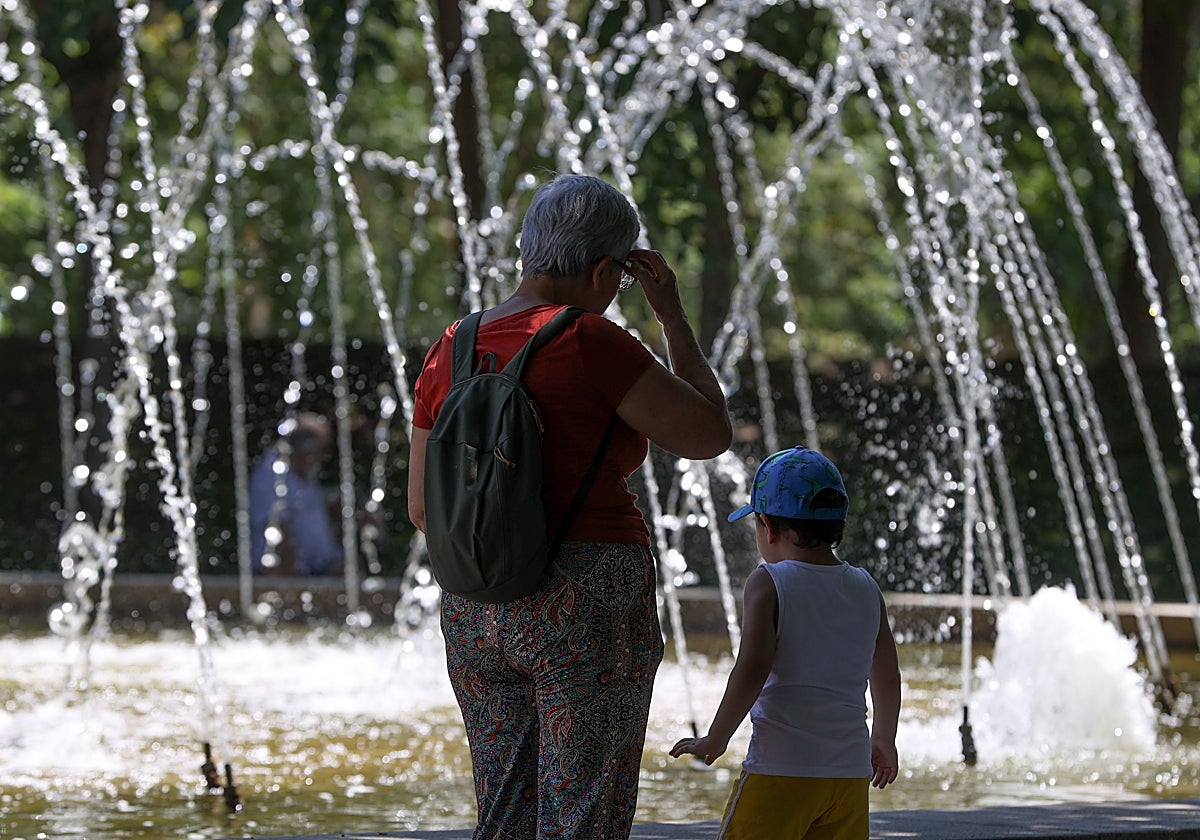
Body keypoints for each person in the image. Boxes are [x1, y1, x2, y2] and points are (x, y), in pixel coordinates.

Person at [407, 173, 732, 839]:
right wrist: (672, 317)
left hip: (474, 606)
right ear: (601, 269)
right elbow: (708, 435)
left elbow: (421, 506)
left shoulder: (452, 345)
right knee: (582, 817)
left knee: (504, 818)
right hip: (585, 602)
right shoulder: (590, 340)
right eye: (619, 277)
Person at [669, 445, 902, 840]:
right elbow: (887, 674)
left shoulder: (769, 582)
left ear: (769, 528)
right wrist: (884, 738)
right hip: (847, 776)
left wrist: (717, 737)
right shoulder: (866, 586)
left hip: (780, 771)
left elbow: (753, 668)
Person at [248, 412, 343, 576]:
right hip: (285, 574)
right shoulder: (273, 473)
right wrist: (292, 587)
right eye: (320, 449)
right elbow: (277, 530)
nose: (321, 456)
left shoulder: (304, 473)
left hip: (319, 569)